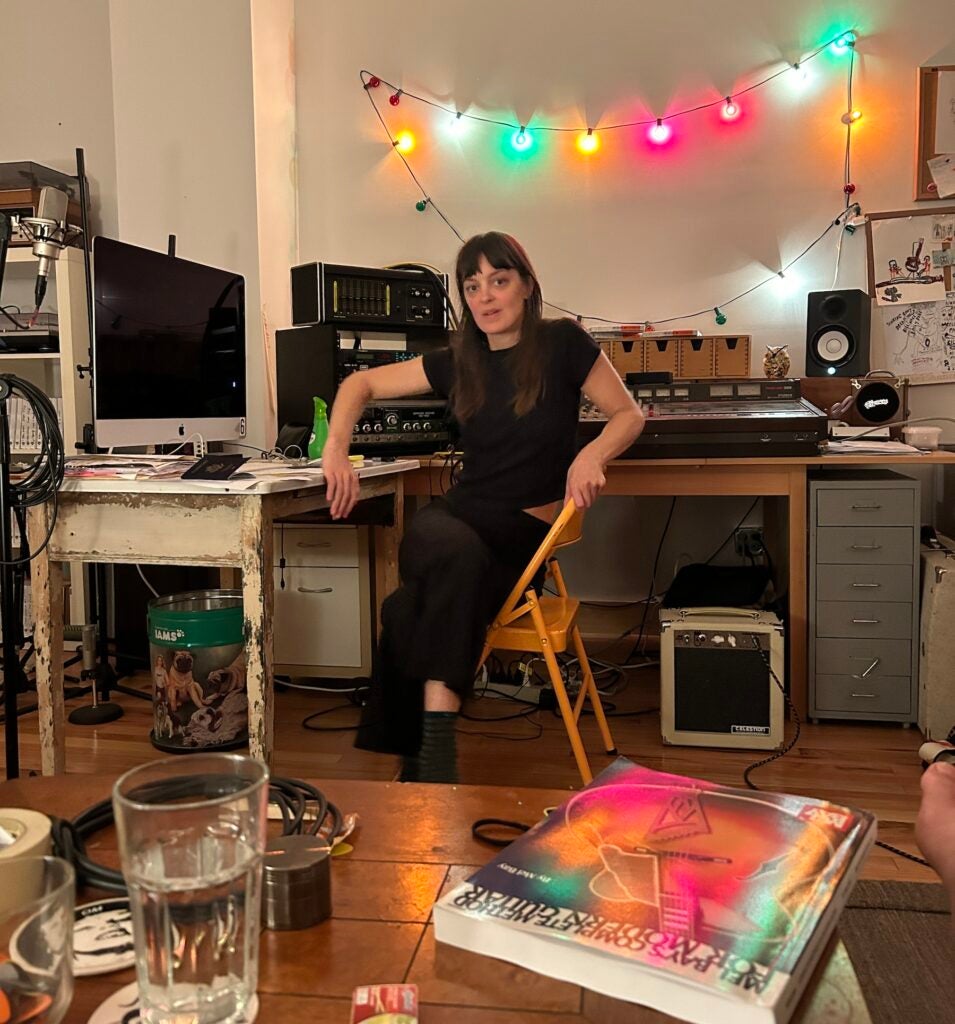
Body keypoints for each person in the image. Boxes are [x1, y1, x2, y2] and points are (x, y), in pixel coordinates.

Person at [322, 232, 644, 782]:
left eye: (499, 280)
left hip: (521, 536)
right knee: (447, 548)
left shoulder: (563, 344)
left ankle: (423, 761)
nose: (486, 297)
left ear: (526, 286)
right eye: (473, 286)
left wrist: (592, 454)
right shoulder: (458, 362)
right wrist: (335, 449)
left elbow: (629, 415)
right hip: (456, 518)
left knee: (407, 608)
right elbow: (359, 383)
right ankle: (433, 758)